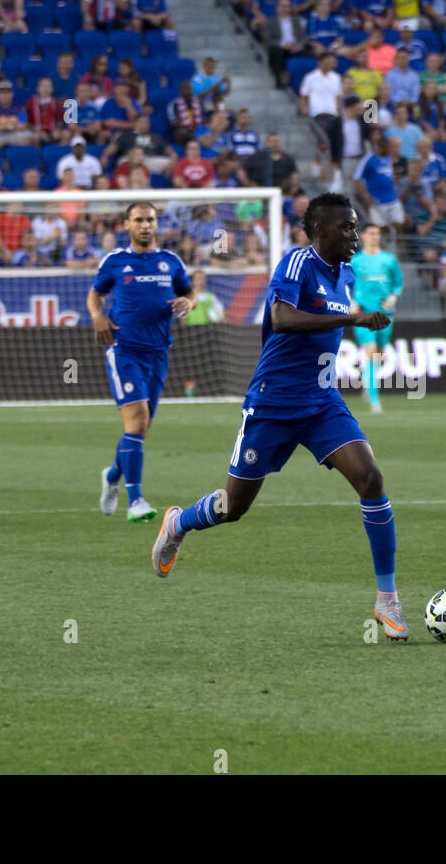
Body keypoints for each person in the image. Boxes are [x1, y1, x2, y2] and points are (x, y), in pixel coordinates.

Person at [149, 195, 405, 636]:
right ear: (321, 230)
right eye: (347, 228)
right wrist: (355, 317)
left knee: (371, 479)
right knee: (233, 507)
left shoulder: (345, 273)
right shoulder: (296, 263)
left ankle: (388, 600)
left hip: (322, 401)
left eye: (357, 227)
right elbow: (283, 318)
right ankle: (179, 522)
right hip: (273, 401)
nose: (355, 236)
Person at [90, 203, 198, 523]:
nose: (145, 225)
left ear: (156, 224)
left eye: (150, 220)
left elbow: (190, 293)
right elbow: (95, 294)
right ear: (127, 225)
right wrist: (97, 316)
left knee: (141, 427)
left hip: (159, 352)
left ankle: (111, 476)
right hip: (124, 349)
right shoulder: (115, 262)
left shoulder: (170, 262)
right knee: (137, 423)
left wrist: (187, 303)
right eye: (139, 220)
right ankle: (135, 499)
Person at [349, 223, 403, 414]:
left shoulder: (389, 260)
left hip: (385, 315)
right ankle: (375, 401)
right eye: (371, 233)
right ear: (363, 235)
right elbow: (346, 285)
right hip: (363, 314)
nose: (375, 237)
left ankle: (367, 381)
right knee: (371, 351)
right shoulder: (355, 261)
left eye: (378, 233)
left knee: (379, 353)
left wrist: (393, 296)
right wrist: (351, 301)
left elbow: (398, 283)